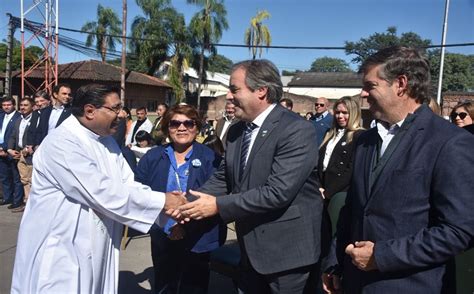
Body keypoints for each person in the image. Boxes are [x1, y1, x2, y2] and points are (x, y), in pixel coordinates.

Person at [322, 46, 474, 294]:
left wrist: (382, 256)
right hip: (354, 284)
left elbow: (458, 231)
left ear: (401, 84)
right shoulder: (365, 140)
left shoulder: (450, 142)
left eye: (370, 86)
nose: (362, 94)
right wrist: (335, 262)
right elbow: (353, 211)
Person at [11, 84, 186, 294]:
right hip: (63, 246)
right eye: (115, 108)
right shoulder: (62, 143)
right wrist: (164, 202)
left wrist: (166, 217)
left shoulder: (107, 142)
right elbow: (103, 192)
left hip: (97, 242)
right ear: (90, 111)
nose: (121, 114)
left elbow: (128, 185)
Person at [176, 59, 323, 293]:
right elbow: (224, 178)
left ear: (261, 91)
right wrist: (186, 202)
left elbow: (277, 193)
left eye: (235, 89)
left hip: (286, 256)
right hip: (250, 251)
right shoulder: (236, 131)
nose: (229, 96)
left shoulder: (296, 130)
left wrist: (217, 206)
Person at [135, 104, 225, 294]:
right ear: (168, 127)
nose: (182, 128)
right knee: (164, 284)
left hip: (198, 236)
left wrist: (183, 224)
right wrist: (168, 222)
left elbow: (219, 194)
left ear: (197, 127)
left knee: (194, 286)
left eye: (189, 123)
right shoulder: (153, 157)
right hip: (162, 233)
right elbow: (138, 191)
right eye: (175, 123)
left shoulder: (211, 159)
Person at [317, 96, 364, 256]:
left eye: (345, 113)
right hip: (322, 191)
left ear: (354, 114)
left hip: (339, 195)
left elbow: (351, 170)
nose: (340, 116)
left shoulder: (359, 136)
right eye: (337, 112)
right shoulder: (330, 133)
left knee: (335, 239)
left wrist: (328, 192)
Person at [7, 98, 35, 212]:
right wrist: (9, 149)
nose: (22, 107)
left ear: (32, 107)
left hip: (30, 154)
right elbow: (13, 135)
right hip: (20, 154)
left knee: (32, 180)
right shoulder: (19, 120)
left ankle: (34, 205)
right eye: (21, 105)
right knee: (24, 180)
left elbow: (36, 135)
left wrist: (29, 147)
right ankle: (27, 202)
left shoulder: (35, 120)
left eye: (26, 105)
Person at [0, 97, 24, 209]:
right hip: (0, 151)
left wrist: (5, 148)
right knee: (4, 177)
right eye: (4, 105)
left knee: (16, 177)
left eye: (8, 105)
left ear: (14, 105)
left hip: (12, 150)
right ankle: (7, 197)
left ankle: (17, 200)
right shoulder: (1, 116)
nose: (6, 107)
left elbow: (13, 135)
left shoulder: (18, 117)